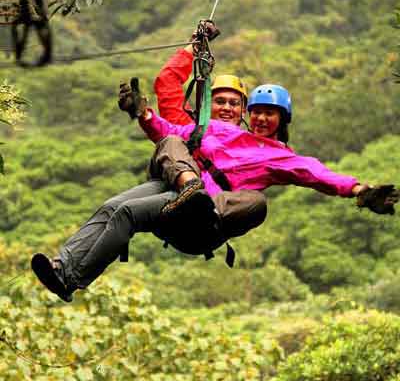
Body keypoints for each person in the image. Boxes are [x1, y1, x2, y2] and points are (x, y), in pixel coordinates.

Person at [33, 75, 390, 304]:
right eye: (259, 112)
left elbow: (318, 174)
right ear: (250, 114)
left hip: (202, 224)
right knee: (116, 203)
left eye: (272, 114)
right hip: (177, 192)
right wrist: (142, 112)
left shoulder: (281, 158)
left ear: (282, 120)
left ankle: (76, 278)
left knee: (256, 201)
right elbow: (165, 129)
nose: (263, 118)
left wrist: (358, 189)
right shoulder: (220, 131)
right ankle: (63, 272)